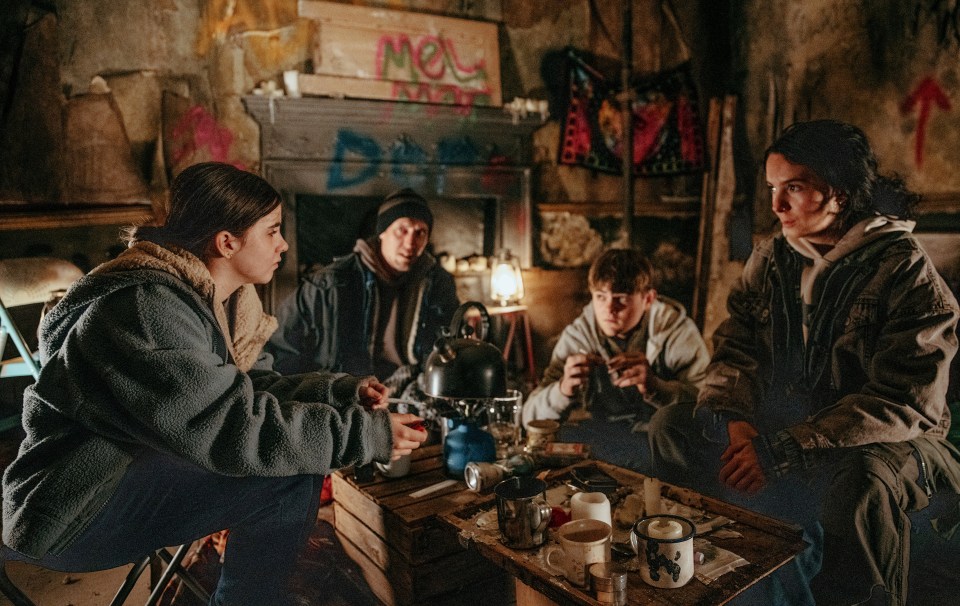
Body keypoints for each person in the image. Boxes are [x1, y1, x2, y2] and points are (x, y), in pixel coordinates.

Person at [1, 162, 427, 606]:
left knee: (293, 459)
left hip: (127, 475)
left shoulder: (218, 298)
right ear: (227, 242)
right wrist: (365, 434)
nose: (283, 244)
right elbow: (230, 428)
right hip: (73, 511)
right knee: (289, 473)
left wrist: (340, 393)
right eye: (272, 231)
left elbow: (247, 391)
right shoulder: (150, 309)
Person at [649, 119, 960, 606]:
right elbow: (737, 348)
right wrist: (737, 423)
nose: (776, 206)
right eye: (774, 188)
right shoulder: (772, 258)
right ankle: (690, 572)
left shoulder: (905, 271)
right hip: (785, 428)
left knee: (862, 482)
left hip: (889, 439)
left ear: (837, 193)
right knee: (672, 424)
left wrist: (783, 450)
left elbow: (904, 403)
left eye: (792, 188)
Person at [522, 247, 709, 470]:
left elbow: (708, 408)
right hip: (606, 438)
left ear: (648, 299)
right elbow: (529, 419)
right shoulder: (578, 336)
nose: (609, 309)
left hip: (660, 442)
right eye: (600, 297)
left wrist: (655, 386)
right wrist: (562, 390)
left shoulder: (677, 332)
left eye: (621, 299)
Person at [265, 188, 459, 402]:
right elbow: (283, 348)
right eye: (402, 230)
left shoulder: (437, 283)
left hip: (406, 393)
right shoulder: (330, 283)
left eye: (420, 232)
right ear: (382, 232)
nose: (410, 243)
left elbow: (448, 347)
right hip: (342, 395)